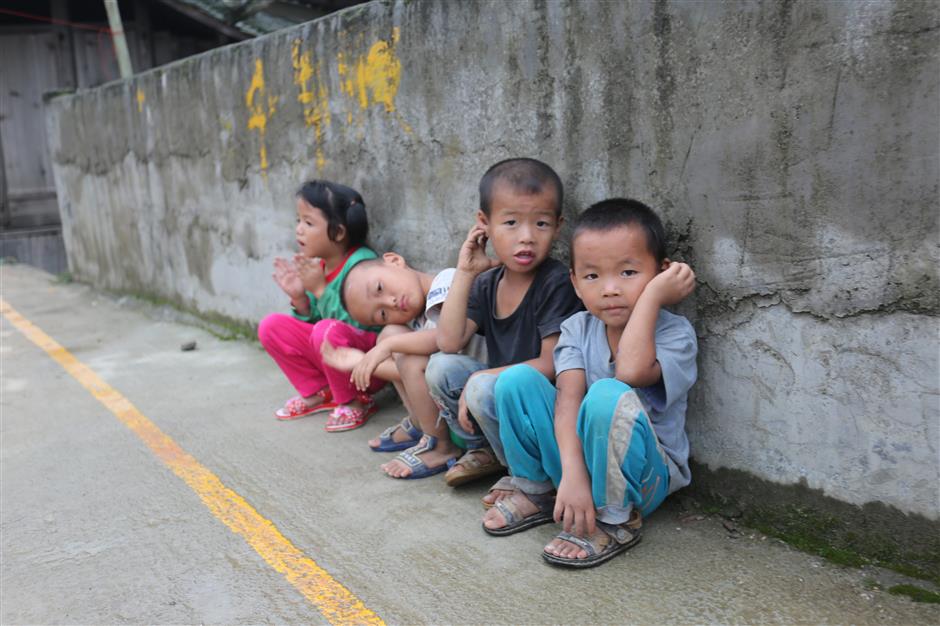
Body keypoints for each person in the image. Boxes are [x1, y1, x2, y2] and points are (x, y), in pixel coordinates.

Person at [482, 198, 697, 569]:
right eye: (593, 276)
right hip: (580, 464)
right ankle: (539, 489)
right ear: (575, 283)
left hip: (643, 479)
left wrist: (654, 298)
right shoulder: (577, 328)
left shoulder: (676, 334)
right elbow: (567, 399)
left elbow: (630, 372)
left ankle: (615, 518)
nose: (609, 289)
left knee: (608, 392)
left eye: (628, 273)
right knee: (517, 380)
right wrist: (574, 476)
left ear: (661, 273)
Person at [429, 158, 583, 487]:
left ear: (558, 226)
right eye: (511, 222)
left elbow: (551, 364)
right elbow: (449, 341)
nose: (526, 237)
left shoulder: (555, 281)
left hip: (540, 409)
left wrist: (482, 377)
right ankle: (486, 452)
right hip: (496, 400)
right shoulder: (487, 282)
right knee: (442, 366)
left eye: (541, 224)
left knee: (484, 386)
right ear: (484, 224)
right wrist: (467, 271)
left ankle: (530, 475)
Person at [320, 255, 486, 478]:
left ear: (394, 260)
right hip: (456, 408)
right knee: (392, 334)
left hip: (478, 410)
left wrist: (386, 347)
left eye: (379, 288)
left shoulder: (447, 282)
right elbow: (411, 373)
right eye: (382, 314)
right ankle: (422, 427)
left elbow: (447, 338)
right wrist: (362, 360)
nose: (391, 303)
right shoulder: (416, 321)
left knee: (401, 348)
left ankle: (441, 447)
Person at [257, 180, 384, 432]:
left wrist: (320, 290)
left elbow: (357, 322)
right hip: (333, 357)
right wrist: (301, 300)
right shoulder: (321, 267)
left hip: (367, 364)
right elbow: (316, 326)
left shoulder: (362, 264)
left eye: (308, 222)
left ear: (338, 232)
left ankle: (355, 401)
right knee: (271, 326)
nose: (298, 230)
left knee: (327, 330)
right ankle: (322, 391)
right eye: (298, 221)